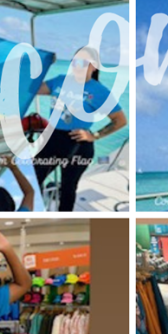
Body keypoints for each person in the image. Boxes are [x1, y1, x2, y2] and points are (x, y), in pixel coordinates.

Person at [34, 47, 126, 211]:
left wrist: (94, 135)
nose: (79, 66)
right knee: (33, 180)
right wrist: (42, 63)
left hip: (77, 144)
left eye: (84, 62)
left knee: (68, 190)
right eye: (75, 61)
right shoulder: (60, 81)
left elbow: (120, 120)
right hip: (52, 139)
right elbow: (32, 88)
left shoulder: (98, 91)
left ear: (94, 66)